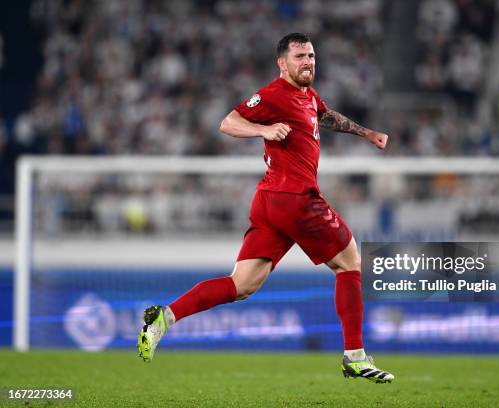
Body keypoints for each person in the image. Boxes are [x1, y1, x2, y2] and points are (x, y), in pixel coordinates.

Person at [137, 33, 394, 383]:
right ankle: (355, 356)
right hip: (295, 198)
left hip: (270, 203)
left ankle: (163, 317)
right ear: (282, 63)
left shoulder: (307, 96)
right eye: (300, 56)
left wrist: (367, 134)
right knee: (350, 263)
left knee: (241, 284)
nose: (308, 62)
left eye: (312, 55)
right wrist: (265, 129)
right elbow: (228, 122)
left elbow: (327, 116)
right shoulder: (273, 94)